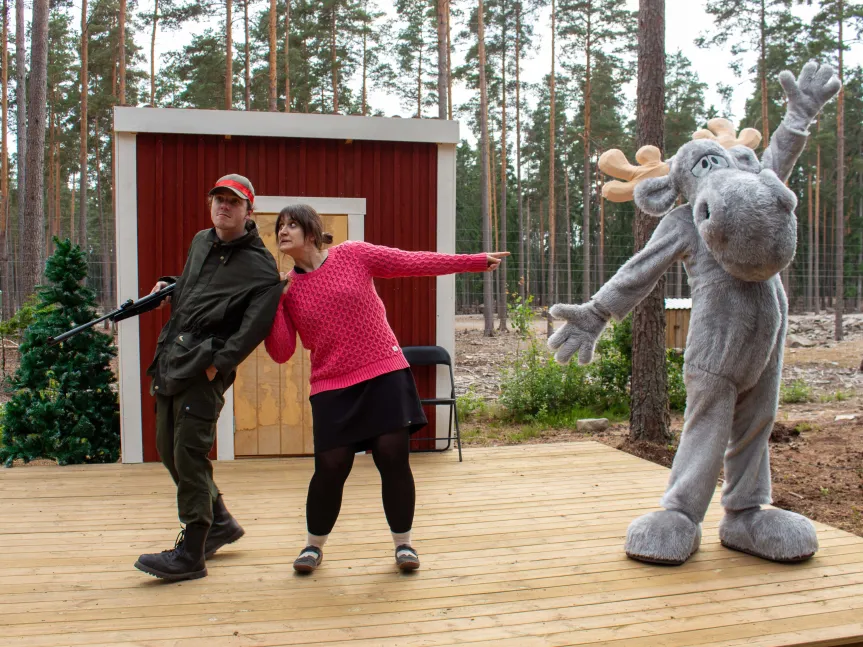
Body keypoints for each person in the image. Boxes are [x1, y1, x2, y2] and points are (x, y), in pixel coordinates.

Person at [264, 204, 508, 573]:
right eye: (279, 226)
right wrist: (273, 303)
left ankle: (404, 545)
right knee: (331, 466)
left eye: (292, 224)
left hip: (383, 372)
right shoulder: (289, 289)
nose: (283, 231)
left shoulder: (352, 255)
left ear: (311, 232)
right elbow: (281, 352)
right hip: (331, 385)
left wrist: (472, 261)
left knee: (392, 455)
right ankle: (313, 547)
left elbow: (412, 262)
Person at [134, 174, 285, 582]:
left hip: (203, 367)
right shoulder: (201, 241)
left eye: (233, 202)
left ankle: (192, 552)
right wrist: (171, 285)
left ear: (248, 211)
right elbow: (197, 288)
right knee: (168, 448)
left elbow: (255, 326)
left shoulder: (261, 267)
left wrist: (219, 363)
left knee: (189, 451)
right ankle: (220, 522)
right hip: (172, 356)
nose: (224, 206)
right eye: (218, 199)